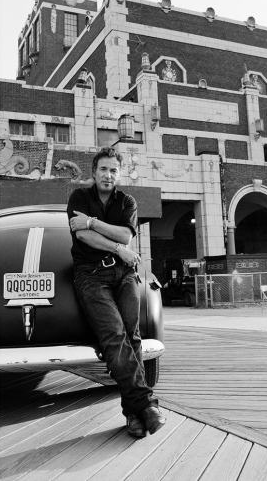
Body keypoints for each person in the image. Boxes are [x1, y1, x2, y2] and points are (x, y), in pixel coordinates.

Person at [67, 147, 165, 438]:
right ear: (94, 172)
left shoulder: (127, 201)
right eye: (103, 170)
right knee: (115, 336)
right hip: (91, 276)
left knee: (132, 337)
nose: (108, 175)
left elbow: (125, 233)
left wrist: (94, 223)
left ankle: (133, 416)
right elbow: (81, 234)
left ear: (118, 174)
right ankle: (146, 406)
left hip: (124, 276)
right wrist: (118, 249)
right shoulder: (79, 198)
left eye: (113, 170)